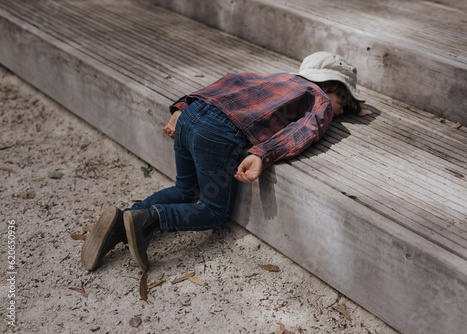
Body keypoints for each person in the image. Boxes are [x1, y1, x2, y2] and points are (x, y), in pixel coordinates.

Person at [81, 51, 370, 271]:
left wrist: (183, 107)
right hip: (218, 136)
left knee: (184, 189)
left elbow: (230, 81)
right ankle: (151, 219)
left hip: (194, 116)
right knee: (214, 211)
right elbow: (302, 131)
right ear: (334, 88)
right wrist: (261, 154)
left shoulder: (273, 78)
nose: (338, 114)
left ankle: (125, 219)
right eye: (342, 106)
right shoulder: (318, 98)